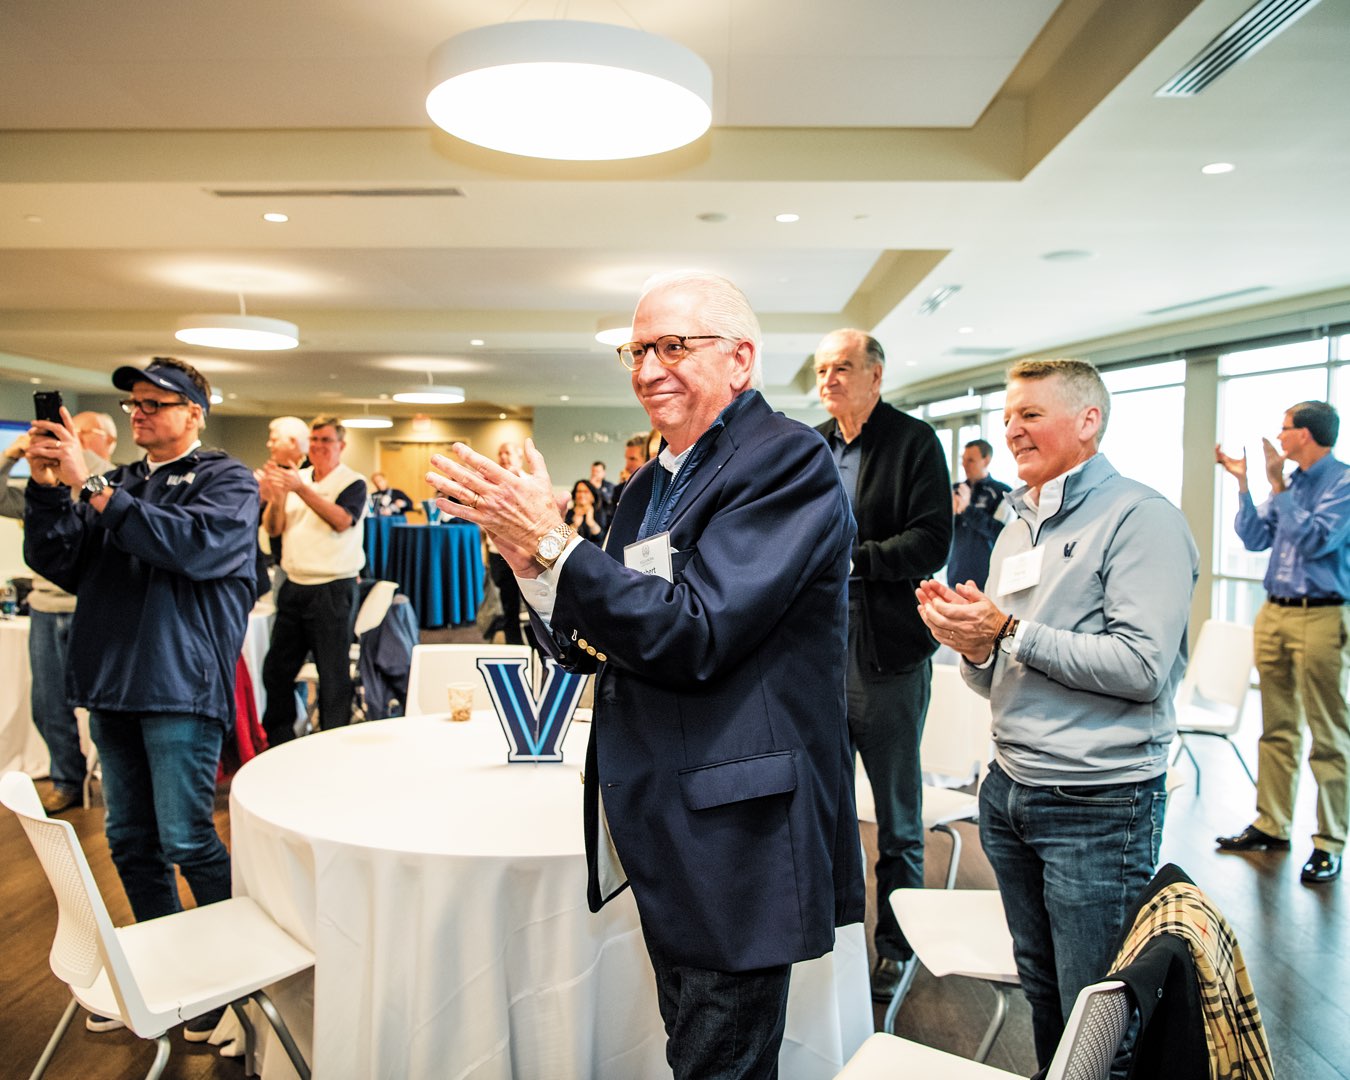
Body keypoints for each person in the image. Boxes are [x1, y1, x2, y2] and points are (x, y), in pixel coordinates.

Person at [425, 270, 864, 1080]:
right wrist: (529, 560)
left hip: (737, 831)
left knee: (716, 1061)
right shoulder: (651, 484)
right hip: (669, 815)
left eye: (673, 346)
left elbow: (696, 633)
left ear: (740, 359)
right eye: (637, 350)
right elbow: (594, 641)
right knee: (700, 1049)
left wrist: (559, 546)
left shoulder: (785, 461)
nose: (648, 367)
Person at [915, 358, 1197, 1067]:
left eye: (1031, 414)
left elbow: (1140, 669)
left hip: (1096, 803)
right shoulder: (1020, 524)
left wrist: (1007, 632)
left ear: (1088, 421)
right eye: (1008, 416)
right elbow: (1002, 677)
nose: (1012, 429)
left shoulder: (1141, 518)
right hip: (1010, 790)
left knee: (1097, 1017)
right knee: (1042, 993)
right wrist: (973, 645)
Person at [23, 358, 258, 1039]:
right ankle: (173, 974)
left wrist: (91, 487)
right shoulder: (121, 481)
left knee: (187, 836)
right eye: (134, 404)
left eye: (158, 402)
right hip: (111, 680)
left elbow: (188, 548)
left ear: (196, 414)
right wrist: (45, 490)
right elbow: (61, 561)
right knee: (129, 840)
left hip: (179, 681)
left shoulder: (224, 479)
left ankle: (231, 974)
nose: (141, 412)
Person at [812, 327, 953, 1000]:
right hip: (814, 653)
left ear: (875, 375)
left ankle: (898, 946)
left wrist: (853, 561)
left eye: (842, 367)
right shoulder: (812, 443)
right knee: (827, 810)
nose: (829, 380)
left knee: (897, 818)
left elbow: (931, 540)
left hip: (888, 653)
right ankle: (835, 939)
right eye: (820, 370)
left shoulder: (914, 441)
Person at [1215, 400, 1350, 885]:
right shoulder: (1288, 486)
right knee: (1277, 728)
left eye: (1285, 428)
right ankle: (1272, 824)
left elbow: (1317, 542)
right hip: (1274, 611)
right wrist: (1244, 485)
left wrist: (1277, 486)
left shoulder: (1343, 483)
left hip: (1322, 615)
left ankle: (1329, 841)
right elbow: (1254, 538)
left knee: (1329, 735)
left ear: (1306, 436)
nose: (1279, 435)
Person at [0, 412, 117, 813]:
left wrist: (78, 466)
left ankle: (116, 783)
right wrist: (13, 455)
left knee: (108, 704)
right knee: (48, 704)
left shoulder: (113, 480)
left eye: (83, 434)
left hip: (95, 606)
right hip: (47, 609)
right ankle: (66, 780)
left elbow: (116, 508)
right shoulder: (41, 484)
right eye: (70, 432)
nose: (73, 439)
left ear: (109, 442)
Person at [259, 416, 367, 745]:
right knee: (276, 670)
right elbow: (274, 529)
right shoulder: (296, 479)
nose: (318, 446)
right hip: (294, 585)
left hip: (333, 589)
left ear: (341, 446)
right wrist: (276, 497)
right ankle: (277, 740)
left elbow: (341, 521)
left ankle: (331, 742)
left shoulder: (352, 482)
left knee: (332, 673)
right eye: (315, 439)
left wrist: (300, 490)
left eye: (326, 440)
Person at [948, 438, 1012, 591]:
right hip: (955, 579)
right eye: (963, 460)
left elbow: (1001, 532)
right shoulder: (955, 490)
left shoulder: (1002, 492)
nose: (964, 465)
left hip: (987, 582)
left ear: (986, 460)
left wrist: (967, 509)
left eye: (970, 460)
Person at [484, 441, 525, 645]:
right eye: (500, 453)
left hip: (523, 552)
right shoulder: (491, 483)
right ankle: (513, 645)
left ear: (519, 456)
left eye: (507, 453)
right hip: (497, 551)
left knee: (530, 603)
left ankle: (539, 648)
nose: (503, 457)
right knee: (507, 603)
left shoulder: (527, 482)